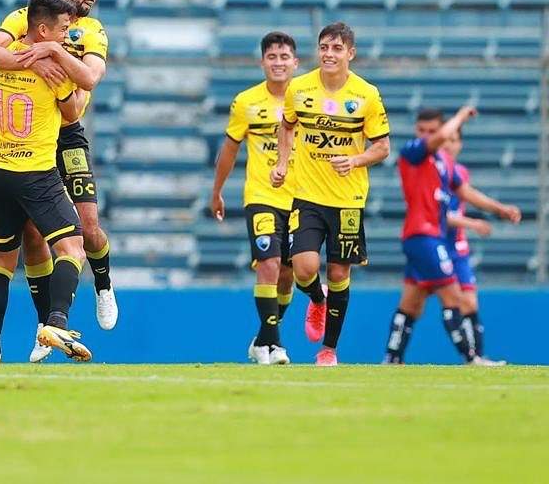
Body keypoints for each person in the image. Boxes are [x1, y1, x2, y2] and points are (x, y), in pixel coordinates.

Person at [0, 0, 113, 363]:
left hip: (64, 131)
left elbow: (88, 80)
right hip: (38, 136)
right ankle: (48, 327)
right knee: (36, 240)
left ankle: (103, 286)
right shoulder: (24, 18)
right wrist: (39, 60)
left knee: (87, 227)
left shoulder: (91, 30)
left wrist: (51, 51)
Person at [271, 22, 390, 366]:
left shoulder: (366, 94)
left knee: (339, 273)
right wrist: (282, 163)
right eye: (324, 47)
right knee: (305, 268)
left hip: (348, 200)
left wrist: (355, 159)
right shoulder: (300, 88)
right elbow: (287, 125)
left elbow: (382, 147)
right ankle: (316, 299)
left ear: (350, 53)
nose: (329, 54)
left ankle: (328, 349)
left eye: (337, 49)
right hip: (307, 195)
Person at [383, 115, 521, 364]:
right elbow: (448, 212)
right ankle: (472, 357)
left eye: (433, 130)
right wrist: (460, 116)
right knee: (455, 297)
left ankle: (392, 357)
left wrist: (499, 209)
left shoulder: (445, 164)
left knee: (412, 302)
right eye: (422, 130)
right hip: (425, 237)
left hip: (436, 241)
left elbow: (466, 193)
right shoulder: (414, 153)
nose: (428, 135)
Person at [211, 32, 299, 365]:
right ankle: (273, 346)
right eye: (272, 57)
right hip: (261, 195)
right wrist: (217, 191)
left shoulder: (306, 98)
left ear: (295, 62)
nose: (278, 63)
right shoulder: (246, 102)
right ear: (262, 62)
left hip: (300, 198)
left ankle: (263, 339)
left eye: (284, 57)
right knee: (269, 265)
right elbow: (230, 150)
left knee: (290, 274)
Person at [442, 129, 519, 364]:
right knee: (427, 302)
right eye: (446, 141)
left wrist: (500, 209)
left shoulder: (460, 173)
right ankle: (394, 355)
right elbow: (439, 214)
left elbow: (468, 198)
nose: (449, 146)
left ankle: (476, 357)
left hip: (459, 247)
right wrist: (474, 223)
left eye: (454, 141)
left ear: (461, 145)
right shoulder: (434, 172)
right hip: (436, 245)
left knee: (470, 303)